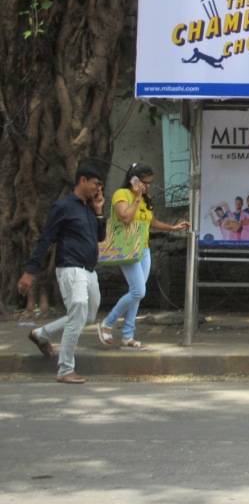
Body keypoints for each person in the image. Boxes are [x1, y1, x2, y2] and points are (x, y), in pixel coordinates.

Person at [17, 161, 107, 383]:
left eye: (101, 185)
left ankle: (40, 334)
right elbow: (46, 239)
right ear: (82, 180)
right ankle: (66, 368)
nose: (98, 189)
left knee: (88, 316)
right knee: (78, 311)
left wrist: (99, 212)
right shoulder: (63, 206)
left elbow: (101, 237)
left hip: (89, 270)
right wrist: (30, 272)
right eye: (96, 184)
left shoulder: (90, 207)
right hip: (70, 268)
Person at [97, 163, 190, 351]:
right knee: (139, 292)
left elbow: (151, 221)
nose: (147, 186)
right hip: (125, 248)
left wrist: (173, 227)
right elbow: (125, 217)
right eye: (144, 182)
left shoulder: (146, 199)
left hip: (143, 249)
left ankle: (127, 337)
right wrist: (137, 197)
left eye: (150, 183)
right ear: (134, 180)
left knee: (136, 294)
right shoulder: (122, 194)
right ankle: (108, 322)